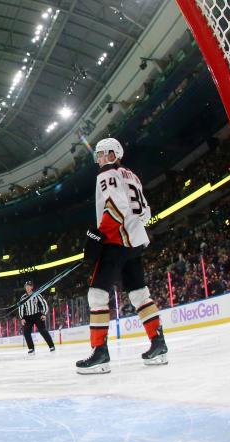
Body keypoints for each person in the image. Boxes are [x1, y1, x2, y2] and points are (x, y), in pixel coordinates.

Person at [78, 138, 168, 374]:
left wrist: (100, 235)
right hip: (135, 241)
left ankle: (100, 353)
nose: (97, 159)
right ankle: (159, 344)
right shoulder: (133, 176)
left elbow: (115, 206)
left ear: (111, 154)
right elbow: (145, 212)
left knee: (97, 295)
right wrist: (130, 228)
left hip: (116, 241)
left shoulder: (107, 173)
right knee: (140, 294)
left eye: (100, 154)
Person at [18, 280, 55, 355]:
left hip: (37, 315)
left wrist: (44, 314)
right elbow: (21, 308)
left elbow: (44, 304)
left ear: (32, 287)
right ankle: (31, 348)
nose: (27, 288)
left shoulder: (37, 294)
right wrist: (22, 318)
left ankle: (51, 346)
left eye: (29, 286)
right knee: (26, 332)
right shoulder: (23, 297)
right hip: (28, 317)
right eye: (26, 286)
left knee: (42, 330)